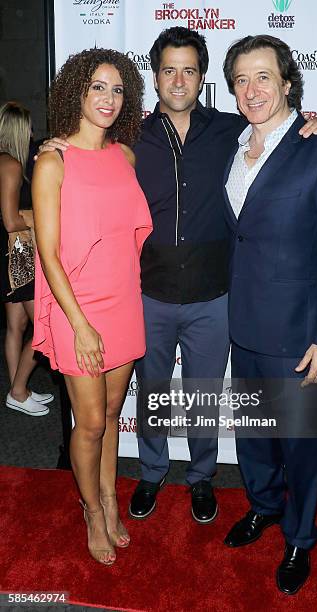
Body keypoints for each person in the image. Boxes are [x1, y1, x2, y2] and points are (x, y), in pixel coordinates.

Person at [40, 27, 317, 525]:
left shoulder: (230, 129)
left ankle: (200, 477)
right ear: (154, 77)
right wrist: (56, 144)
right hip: (144, 294)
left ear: (202, 78)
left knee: (201, 391)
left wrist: (311, 122)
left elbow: (277, 129)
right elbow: (82, 159)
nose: (179, 80)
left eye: (190, 70)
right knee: (151, 391)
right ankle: (151, 472)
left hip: (212, 294)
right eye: (169, 70)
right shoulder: (129, 137)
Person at [222, 35, 317, 594]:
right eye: (241, 79)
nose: (252, 89)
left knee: (300, 445)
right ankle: (263, 506)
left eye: (264, 77)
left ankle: (301, 537)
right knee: (255, 435)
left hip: (299, 334)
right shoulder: (233, 146)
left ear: (287, 83)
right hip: (243, 323)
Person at [32, 48, 152, 565]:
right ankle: (91, 511)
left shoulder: (124, 156)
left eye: (118, 89)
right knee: (90, 422)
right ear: (77, 90)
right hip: (77, 307)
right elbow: (49, 255)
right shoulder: (52, 162)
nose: (108, 98)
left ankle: (109, 496)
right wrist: (79, 325)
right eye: (98, 86)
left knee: (110, 413)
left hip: (123, 301)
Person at [0, 102, 53, 416]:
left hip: (10, 256)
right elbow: (10, 221)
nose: (33, 133)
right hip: (15, 257)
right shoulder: (10, 165)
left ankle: (17, 390)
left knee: (16, 325)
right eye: (29, 128)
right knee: (44, 326)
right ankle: (18, 390)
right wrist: (37, 219)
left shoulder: (7, 162)